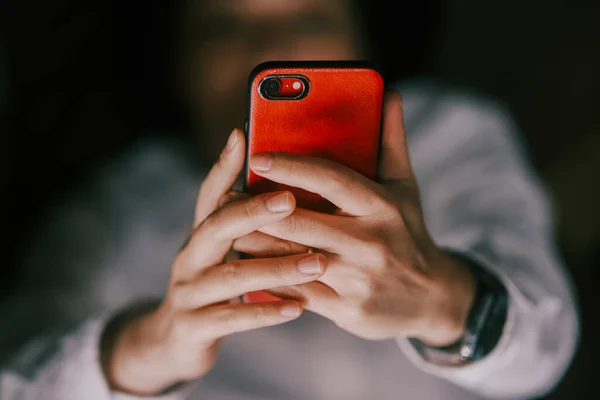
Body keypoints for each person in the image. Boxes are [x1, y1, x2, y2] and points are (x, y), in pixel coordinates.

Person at [0, 1, 578, 399]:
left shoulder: (453, 135)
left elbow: (546, 351)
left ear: (363, 32)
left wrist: (445, 302)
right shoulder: (115, 205)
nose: (269, 46)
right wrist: (148, 348)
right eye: (223, 26)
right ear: (175, 59)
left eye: (310, 16)